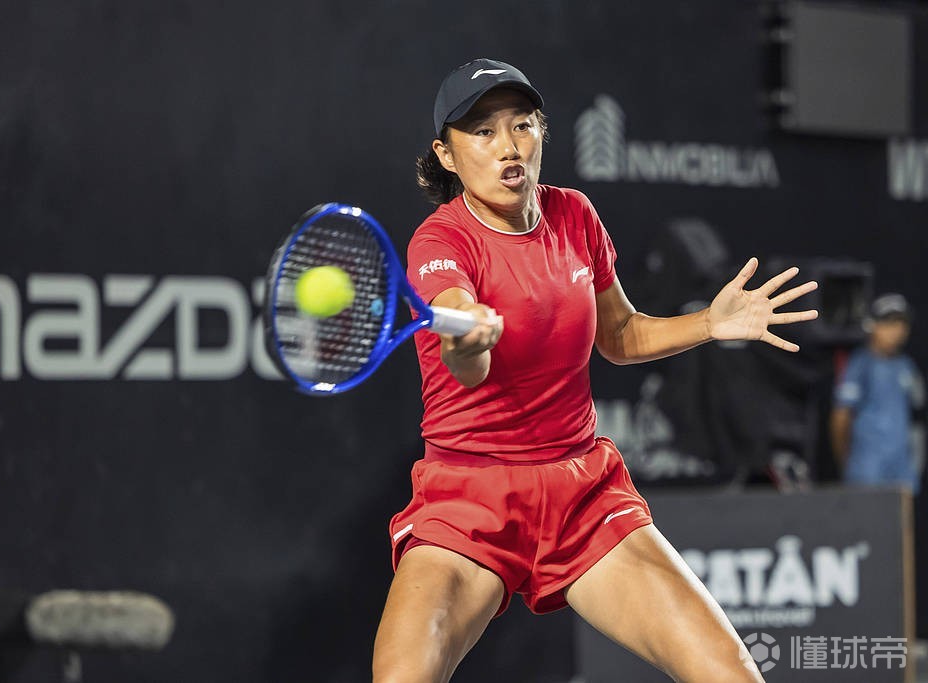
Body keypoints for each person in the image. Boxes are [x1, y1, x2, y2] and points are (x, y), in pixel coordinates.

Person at [372, 58, 819, 683]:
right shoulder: (440, 242)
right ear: (447, 155)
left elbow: (620, 334)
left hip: (581, 495)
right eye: (483, 132)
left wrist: (708, 324)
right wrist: (470, 337)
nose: (508, 147)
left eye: (522, 125)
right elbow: (464, 363)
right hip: (471, 498)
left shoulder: (575, 214)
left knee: (732, 674)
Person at [831, 293, 924, 494]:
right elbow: (841, 418)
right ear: (872, 325)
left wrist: (915, 461)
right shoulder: (860, 364)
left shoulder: (907, 366)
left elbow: (917, 418)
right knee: (866, 513)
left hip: (901, 468)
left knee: (901, 513)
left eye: (902, 323)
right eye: (889, 323)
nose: (897, 330)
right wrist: (846, 461)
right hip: (867, 468)